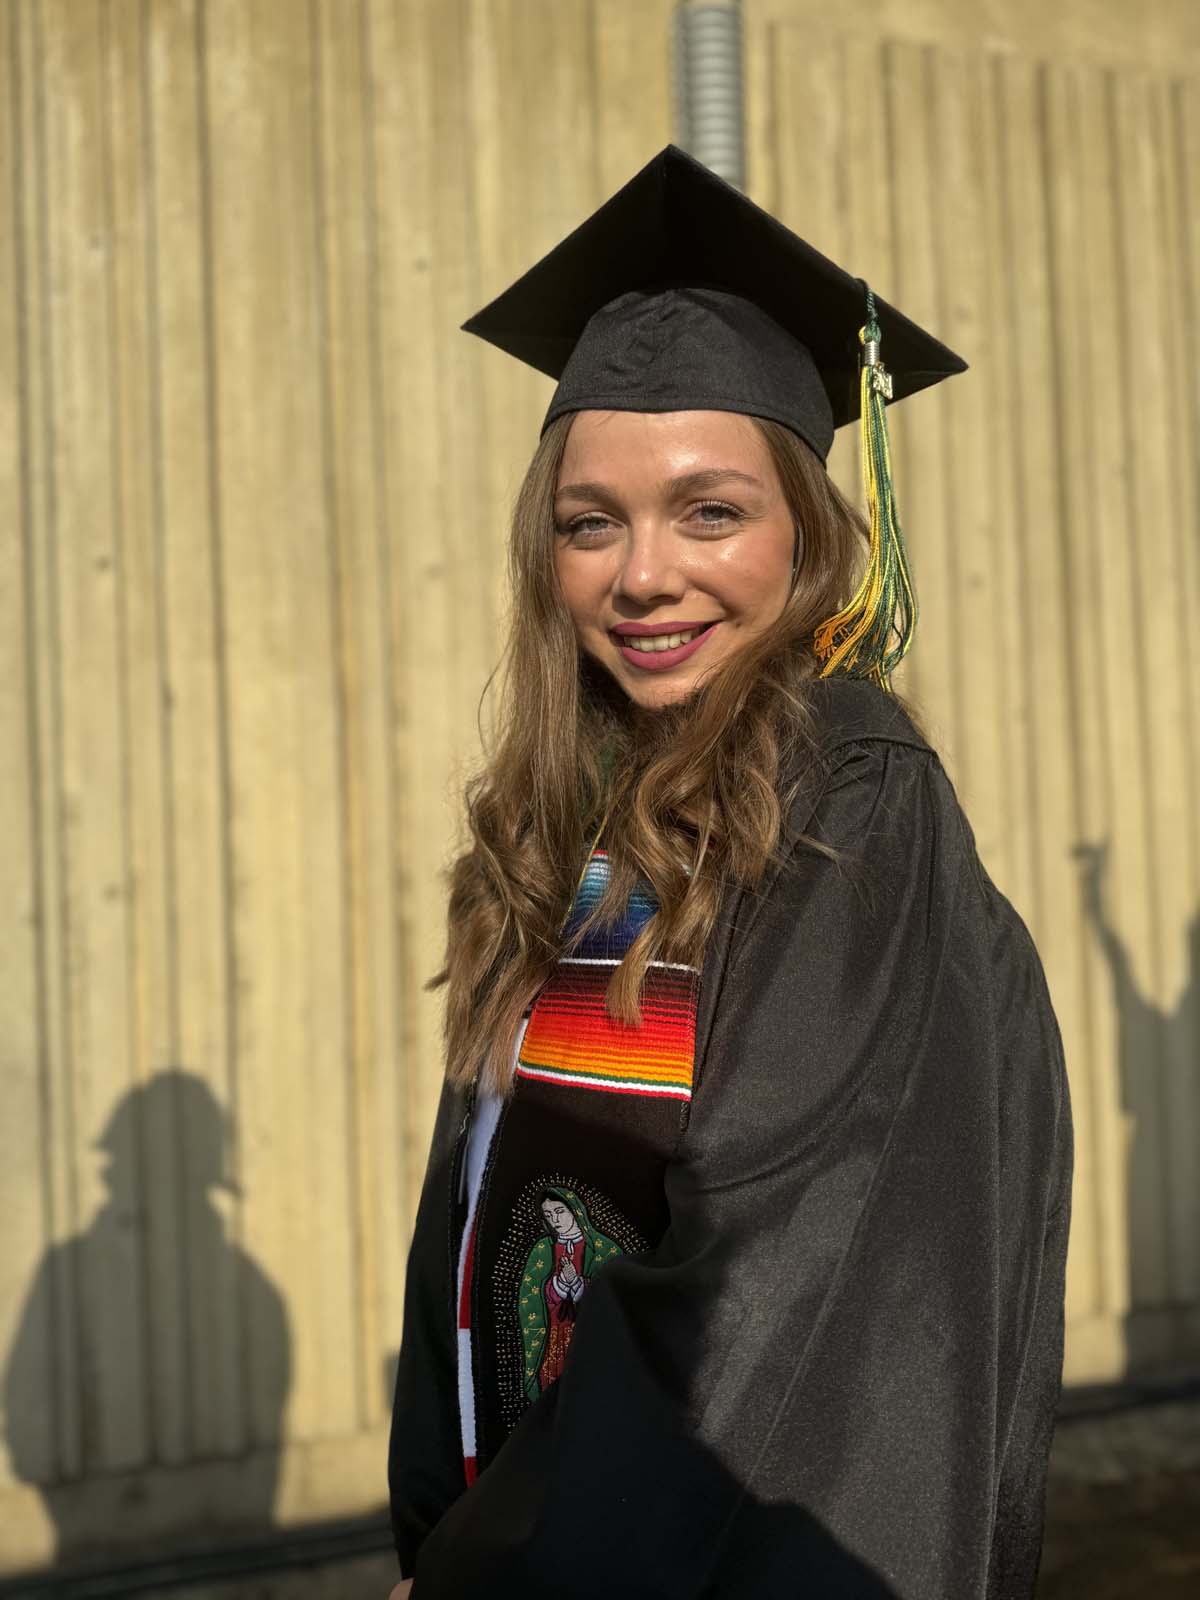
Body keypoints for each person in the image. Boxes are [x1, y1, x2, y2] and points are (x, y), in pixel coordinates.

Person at [385, 146, 1072, 1600]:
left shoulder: (852, 801)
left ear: (812, 541)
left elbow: (764, 1296)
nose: (641, 575)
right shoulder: (578, 821)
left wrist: (483, 1573)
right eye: (591, 521)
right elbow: (479, 1239)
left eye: (710, 511)